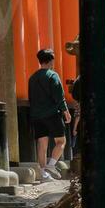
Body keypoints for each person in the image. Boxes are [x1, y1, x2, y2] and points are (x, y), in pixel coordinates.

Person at [28, 48, 71, 181]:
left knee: (42, 143)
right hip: (52, 114)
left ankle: (43, 173)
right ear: (51, 60)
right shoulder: (53, 75)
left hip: (37, 115)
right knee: (61, 141)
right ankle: (51, 165)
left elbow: (31, 97)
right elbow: (59, 96)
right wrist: (66, 112)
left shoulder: (32, 78)